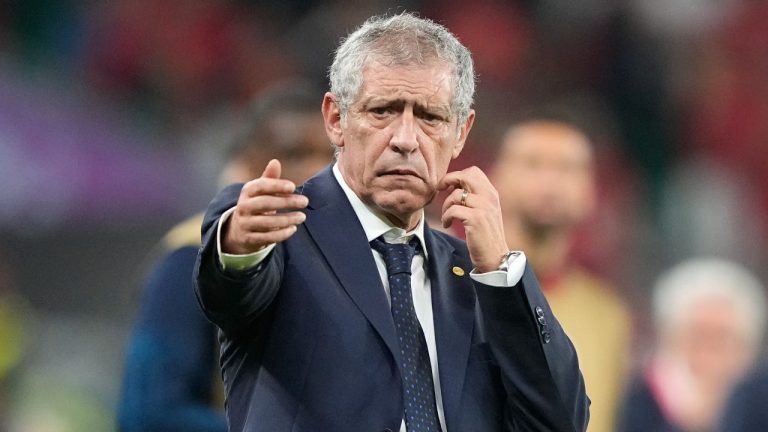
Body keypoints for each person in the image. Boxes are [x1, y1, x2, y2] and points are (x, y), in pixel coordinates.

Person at [195, 13, 589, 432]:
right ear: (335, 119)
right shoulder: (279, 227)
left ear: (460, 132)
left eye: (430, 117)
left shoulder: (479, 275)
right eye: (383, 110)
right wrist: (238, 244)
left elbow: (560, 421)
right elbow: (230, 291)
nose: (405, 139)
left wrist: (501, 274)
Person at [117, 82, 331, 432]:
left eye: (332, 157)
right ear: (248, 163)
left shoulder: (338, 257)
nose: (317, 173)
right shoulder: (189, 256)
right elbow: (148, 415)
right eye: (296, 154)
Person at [490, 114, 631, 432]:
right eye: (532, 163)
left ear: (591, 191)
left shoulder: (608, 316)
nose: (550, 181)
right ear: (497, 178)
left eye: (567, 168)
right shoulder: (454, 287)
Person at [617, 258, 766, 432]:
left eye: (723, 336)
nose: (709, 349)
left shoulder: (760, 401)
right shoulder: (641, 398)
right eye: (697, 334)